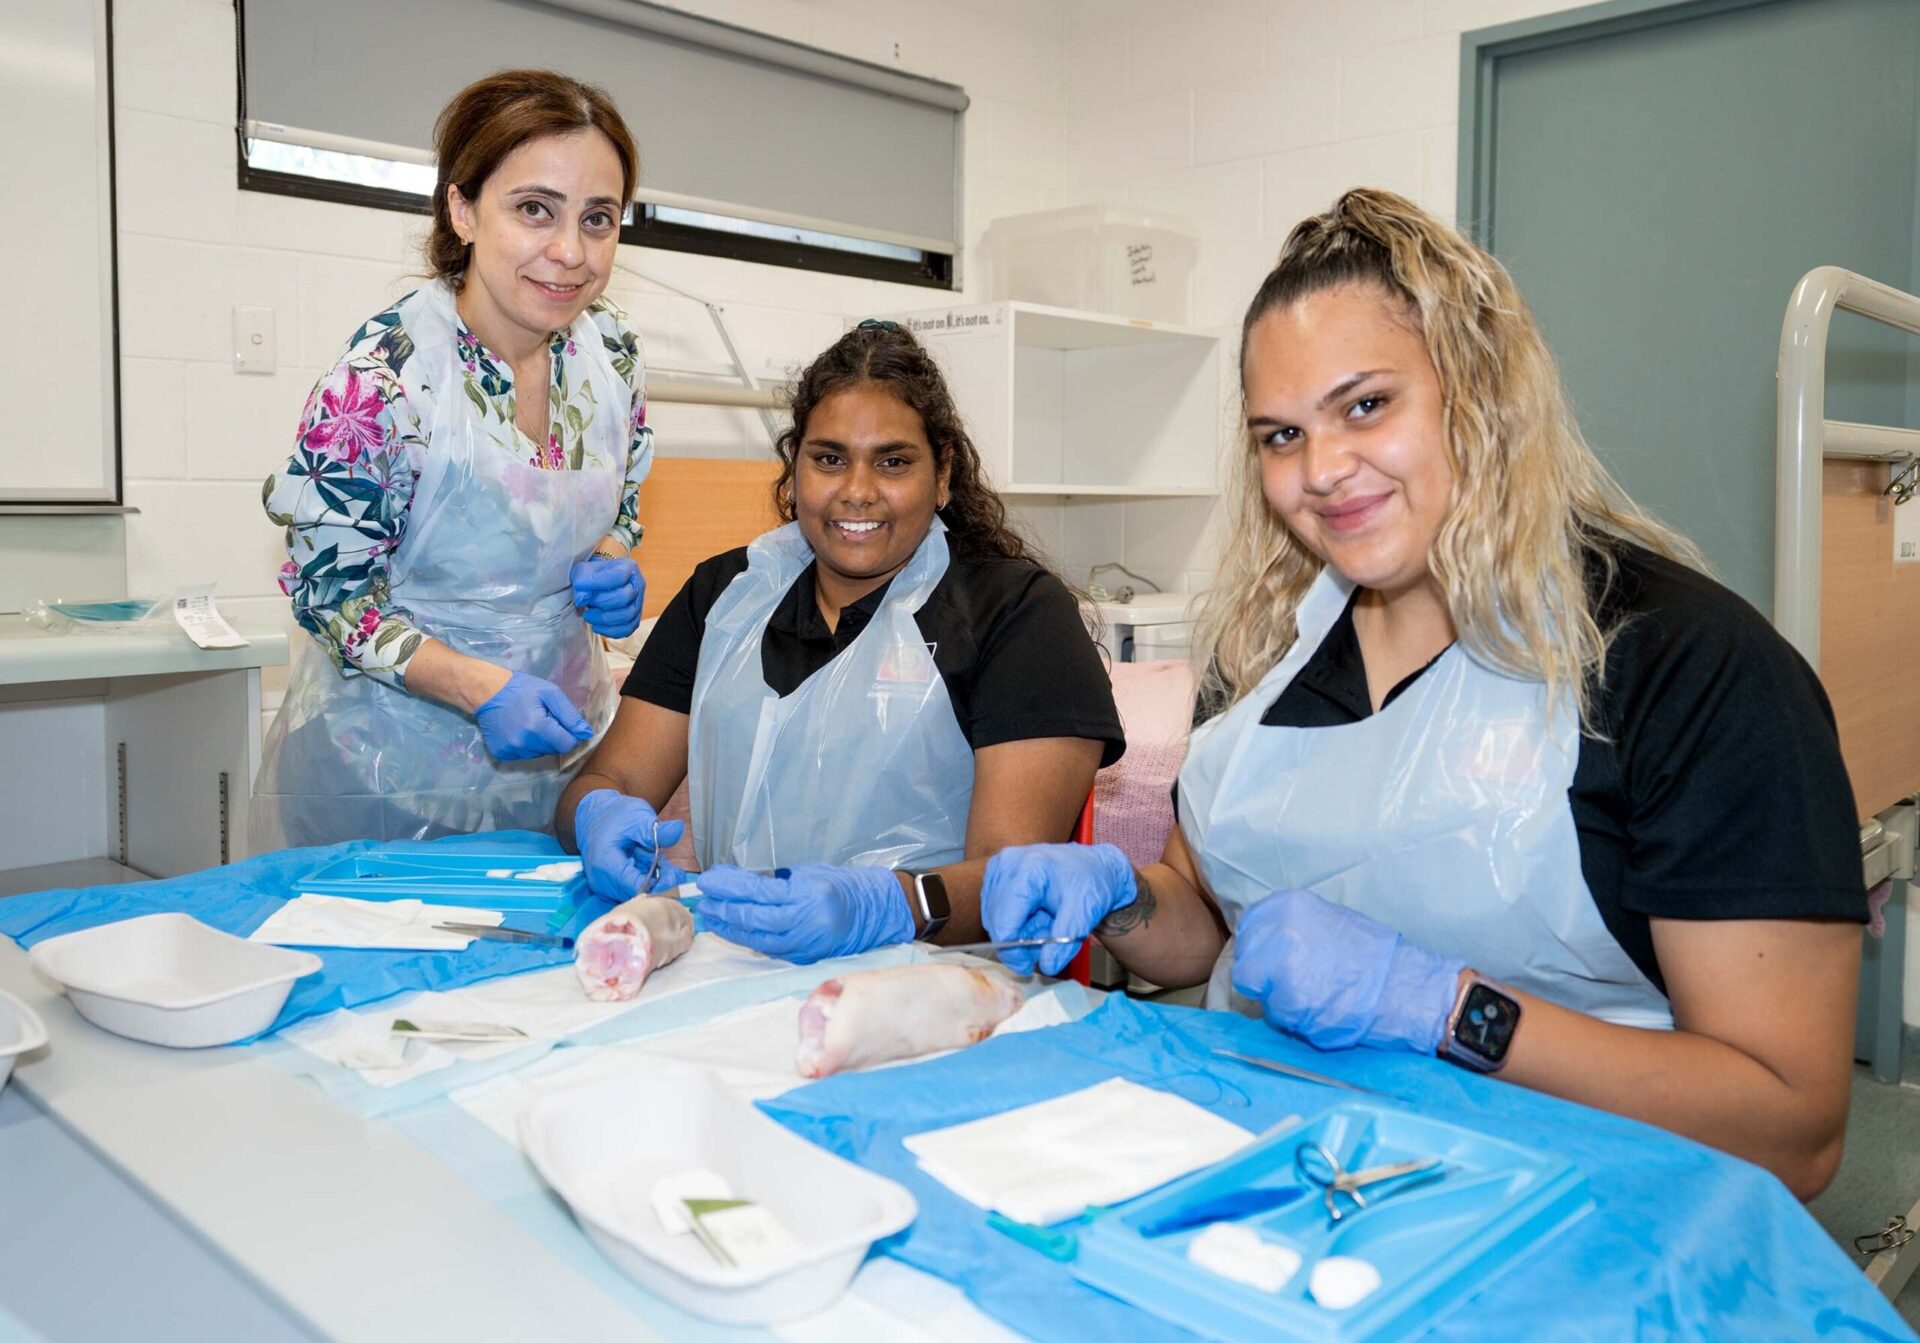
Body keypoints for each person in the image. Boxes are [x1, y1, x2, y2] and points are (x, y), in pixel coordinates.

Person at [980, 189, 1865, 1199]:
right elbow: (1211, 921)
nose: (1322, 471)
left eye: (1366, 405)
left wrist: (1442, 1006)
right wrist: (1127, 896)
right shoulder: (1264, 650)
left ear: (1478, 390)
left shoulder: (1683, 665)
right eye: (1280, 435)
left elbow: (1791, 1130)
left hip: (1572, 1211)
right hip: (1277, 1175)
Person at [556, 322, 1124, 961]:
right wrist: (596, 813)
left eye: (893, 462)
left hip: (936, 984)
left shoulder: (1017, 613)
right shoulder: (724, 595)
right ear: (793, 468)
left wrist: (882, 907)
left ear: (943, 475)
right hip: (729, 965)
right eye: (828, 459)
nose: (857, 490)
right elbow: (614, 775)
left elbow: (1012, 879)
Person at [252, 71, 653, 850]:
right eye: (534, 209)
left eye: (598, 219)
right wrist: (480, 687)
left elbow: (623, 501)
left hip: (560, 762)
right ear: (463, 209)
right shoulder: (384, 381)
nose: (571, 253)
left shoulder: (614, 357)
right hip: (386, 782)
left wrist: (613, 557)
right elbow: (328, 595)